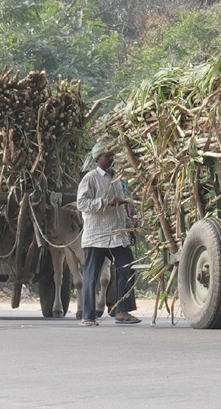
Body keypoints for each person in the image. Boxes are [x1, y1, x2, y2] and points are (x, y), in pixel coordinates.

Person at [75, 140, 141, 326]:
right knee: (91, 275)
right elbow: (82, 204)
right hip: (97, 234)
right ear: (97, 159)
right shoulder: (90, 178)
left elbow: (125, 204)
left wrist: (129, 227)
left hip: (117, 233)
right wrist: (105, 202)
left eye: (112, 155)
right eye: (107, 156)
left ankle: (122, 311)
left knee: (127, 268)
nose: (111, 158)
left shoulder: (118, 179)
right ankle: (88, 316)